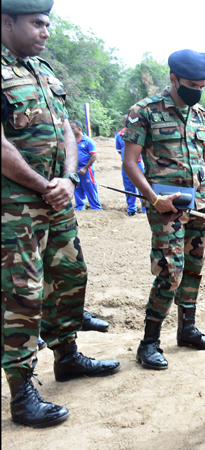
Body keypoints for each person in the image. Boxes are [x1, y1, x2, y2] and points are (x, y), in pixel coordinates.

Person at [1, 0, 120, 428]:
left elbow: (69, 130)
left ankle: (67, 357)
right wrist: (42, 184)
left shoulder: (43, 71)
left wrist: (69, 179)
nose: (46, 31)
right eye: (37, 23)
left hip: (57, 198)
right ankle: (22, 393)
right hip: (14, 208)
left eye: (48, 23)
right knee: (22, 295)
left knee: (69, 276)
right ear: (7, 21)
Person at [121, 49, 205, 371]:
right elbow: (129, 162)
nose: (197, 90)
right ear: (173, 79)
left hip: (200, 207)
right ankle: (149, 343)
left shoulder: (202, 117)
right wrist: (154, 199)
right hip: (165, 208)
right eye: (191, 84)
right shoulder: (145, 112)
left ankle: (187, 330)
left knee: (194, 268)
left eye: (202, 85)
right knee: (170, 272)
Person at [115, 115, 146, 216]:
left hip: (138, 164)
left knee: (142, 186)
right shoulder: (119, 135)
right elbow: (120, 151)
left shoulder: (139, 133)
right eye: (126, 122)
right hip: (126, 165)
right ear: (123, 123)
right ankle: (131, 209)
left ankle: (145, 208)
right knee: (129, 187)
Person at [70, 120, 102, 210]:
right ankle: (80, 207)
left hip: (86, 170)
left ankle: (96, 208)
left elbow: (94, 156)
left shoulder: (88, 141)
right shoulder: (71, 141)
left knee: (90, 188)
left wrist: (85, 168)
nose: (70, 130)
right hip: (75, 169)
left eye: (72, 128)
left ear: (79, 129)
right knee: (77, 188)